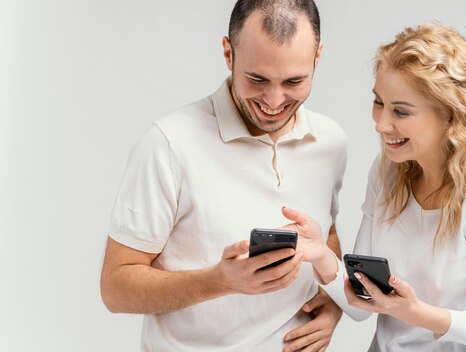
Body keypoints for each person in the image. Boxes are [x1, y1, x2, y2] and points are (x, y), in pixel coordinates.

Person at [100, 1, 347, 351]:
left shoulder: (332, 141)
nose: (274, 101)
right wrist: (218, 281)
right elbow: (115, 287)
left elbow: (327, 234)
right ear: (228, 54)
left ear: (318, 58)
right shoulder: (168, 144)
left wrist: (332, 301)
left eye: (294, 80)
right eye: (257, 79)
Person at [281, 22, 466, 352]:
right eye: (379, 102)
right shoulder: (388, 172)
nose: (382, 124)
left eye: (401, 111)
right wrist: (321, 256)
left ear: (450, 116)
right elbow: (361, 303)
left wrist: (416, 313)